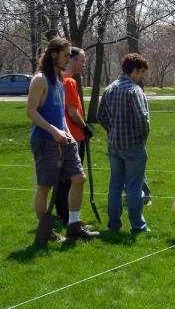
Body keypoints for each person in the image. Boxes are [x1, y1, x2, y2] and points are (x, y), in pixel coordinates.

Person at [27, 37, 99, 242]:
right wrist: (53, 132)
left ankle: (74, 226)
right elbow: (31, 112)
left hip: (64, 139)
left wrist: (66, 133)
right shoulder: (40, 79)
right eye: (66, 55)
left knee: (79, 179)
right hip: (44, 140)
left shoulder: (60, 80)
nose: (69, 59)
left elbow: (60, 115)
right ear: (53, 55)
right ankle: (46, 231)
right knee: (45, 186)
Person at [97, 53, 150, 233]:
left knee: (115, 186)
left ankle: (114, 225)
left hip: (114, 146)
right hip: (133, 146)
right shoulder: (134, 90)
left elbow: (100, 116)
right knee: (134, 188)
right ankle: (138, 226)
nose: (142, 76)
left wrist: (111, 130)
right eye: (141, 72)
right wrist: (143, 137)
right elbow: (143, 118)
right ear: (134, 70)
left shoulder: (109, 89)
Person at [55, 47, 93, 226]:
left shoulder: (55, 79)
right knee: (74, 179)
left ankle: (62, 214)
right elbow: (72, 111)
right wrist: (85, 127)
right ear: (71, 60)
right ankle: (71, 218)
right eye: (82, 61)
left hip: (59, 135)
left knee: (62, 178)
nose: (84, 64)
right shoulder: (69, 82)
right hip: (73, 135)